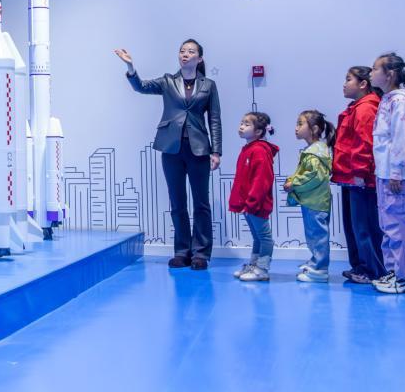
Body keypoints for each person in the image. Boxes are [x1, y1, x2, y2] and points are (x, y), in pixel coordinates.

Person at [116, 40, 222, 269]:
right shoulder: (167, 81)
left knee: (201, 203)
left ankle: (201, 254)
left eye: (191, 52)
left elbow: (214, 118)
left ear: (199, 59)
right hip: (171, 148)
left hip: (199, 149)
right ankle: (182, 251)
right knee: (177, 202)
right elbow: (141, 87)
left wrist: (216, 151)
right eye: (182, 51)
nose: (185, 54)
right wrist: (130, 67)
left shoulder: (209, 85)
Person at [369, 53, 405, 295]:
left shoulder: (400, 102)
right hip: (386, 174)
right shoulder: (389, 100)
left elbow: (402, 138)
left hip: (397, 177)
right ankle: (396, 273)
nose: (371, 73)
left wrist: (396, 173)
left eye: (375, 69)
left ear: (389, 74)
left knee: (401, 229)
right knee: (390, 226)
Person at [332, 66, 384, 284]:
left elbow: (365, 143)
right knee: (354, 227)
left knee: (365, 227)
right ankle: (361, 267)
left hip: (360, 178)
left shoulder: (366, 109)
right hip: (349, 177)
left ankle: (373, 271)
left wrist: (361, 172)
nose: (344, 84)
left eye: (349, 79)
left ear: (363, 84)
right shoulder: (356, 108)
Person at [284, 110, 336, 283]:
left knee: (318, 235)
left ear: (314, 129)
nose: (296, 128)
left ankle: (319, 269)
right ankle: (316, 262)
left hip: (316, 202)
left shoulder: (315, 153)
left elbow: (315, 176)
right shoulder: (314, 150)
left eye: (300, 124)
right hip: (313, 201)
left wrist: (294, 183)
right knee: (314, 235)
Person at [228, 112, 279, 282]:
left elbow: (262, 180)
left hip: (256, 204)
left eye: (247, 124)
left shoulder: (259, 151)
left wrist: (251, 201)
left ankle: (262, 269)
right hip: (248, 205)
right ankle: (254, 264)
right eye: (242, 123)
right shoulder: (248, 149)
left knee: (264, 237)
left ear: (258, 131)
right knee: (257, 237)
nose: (241, 126)